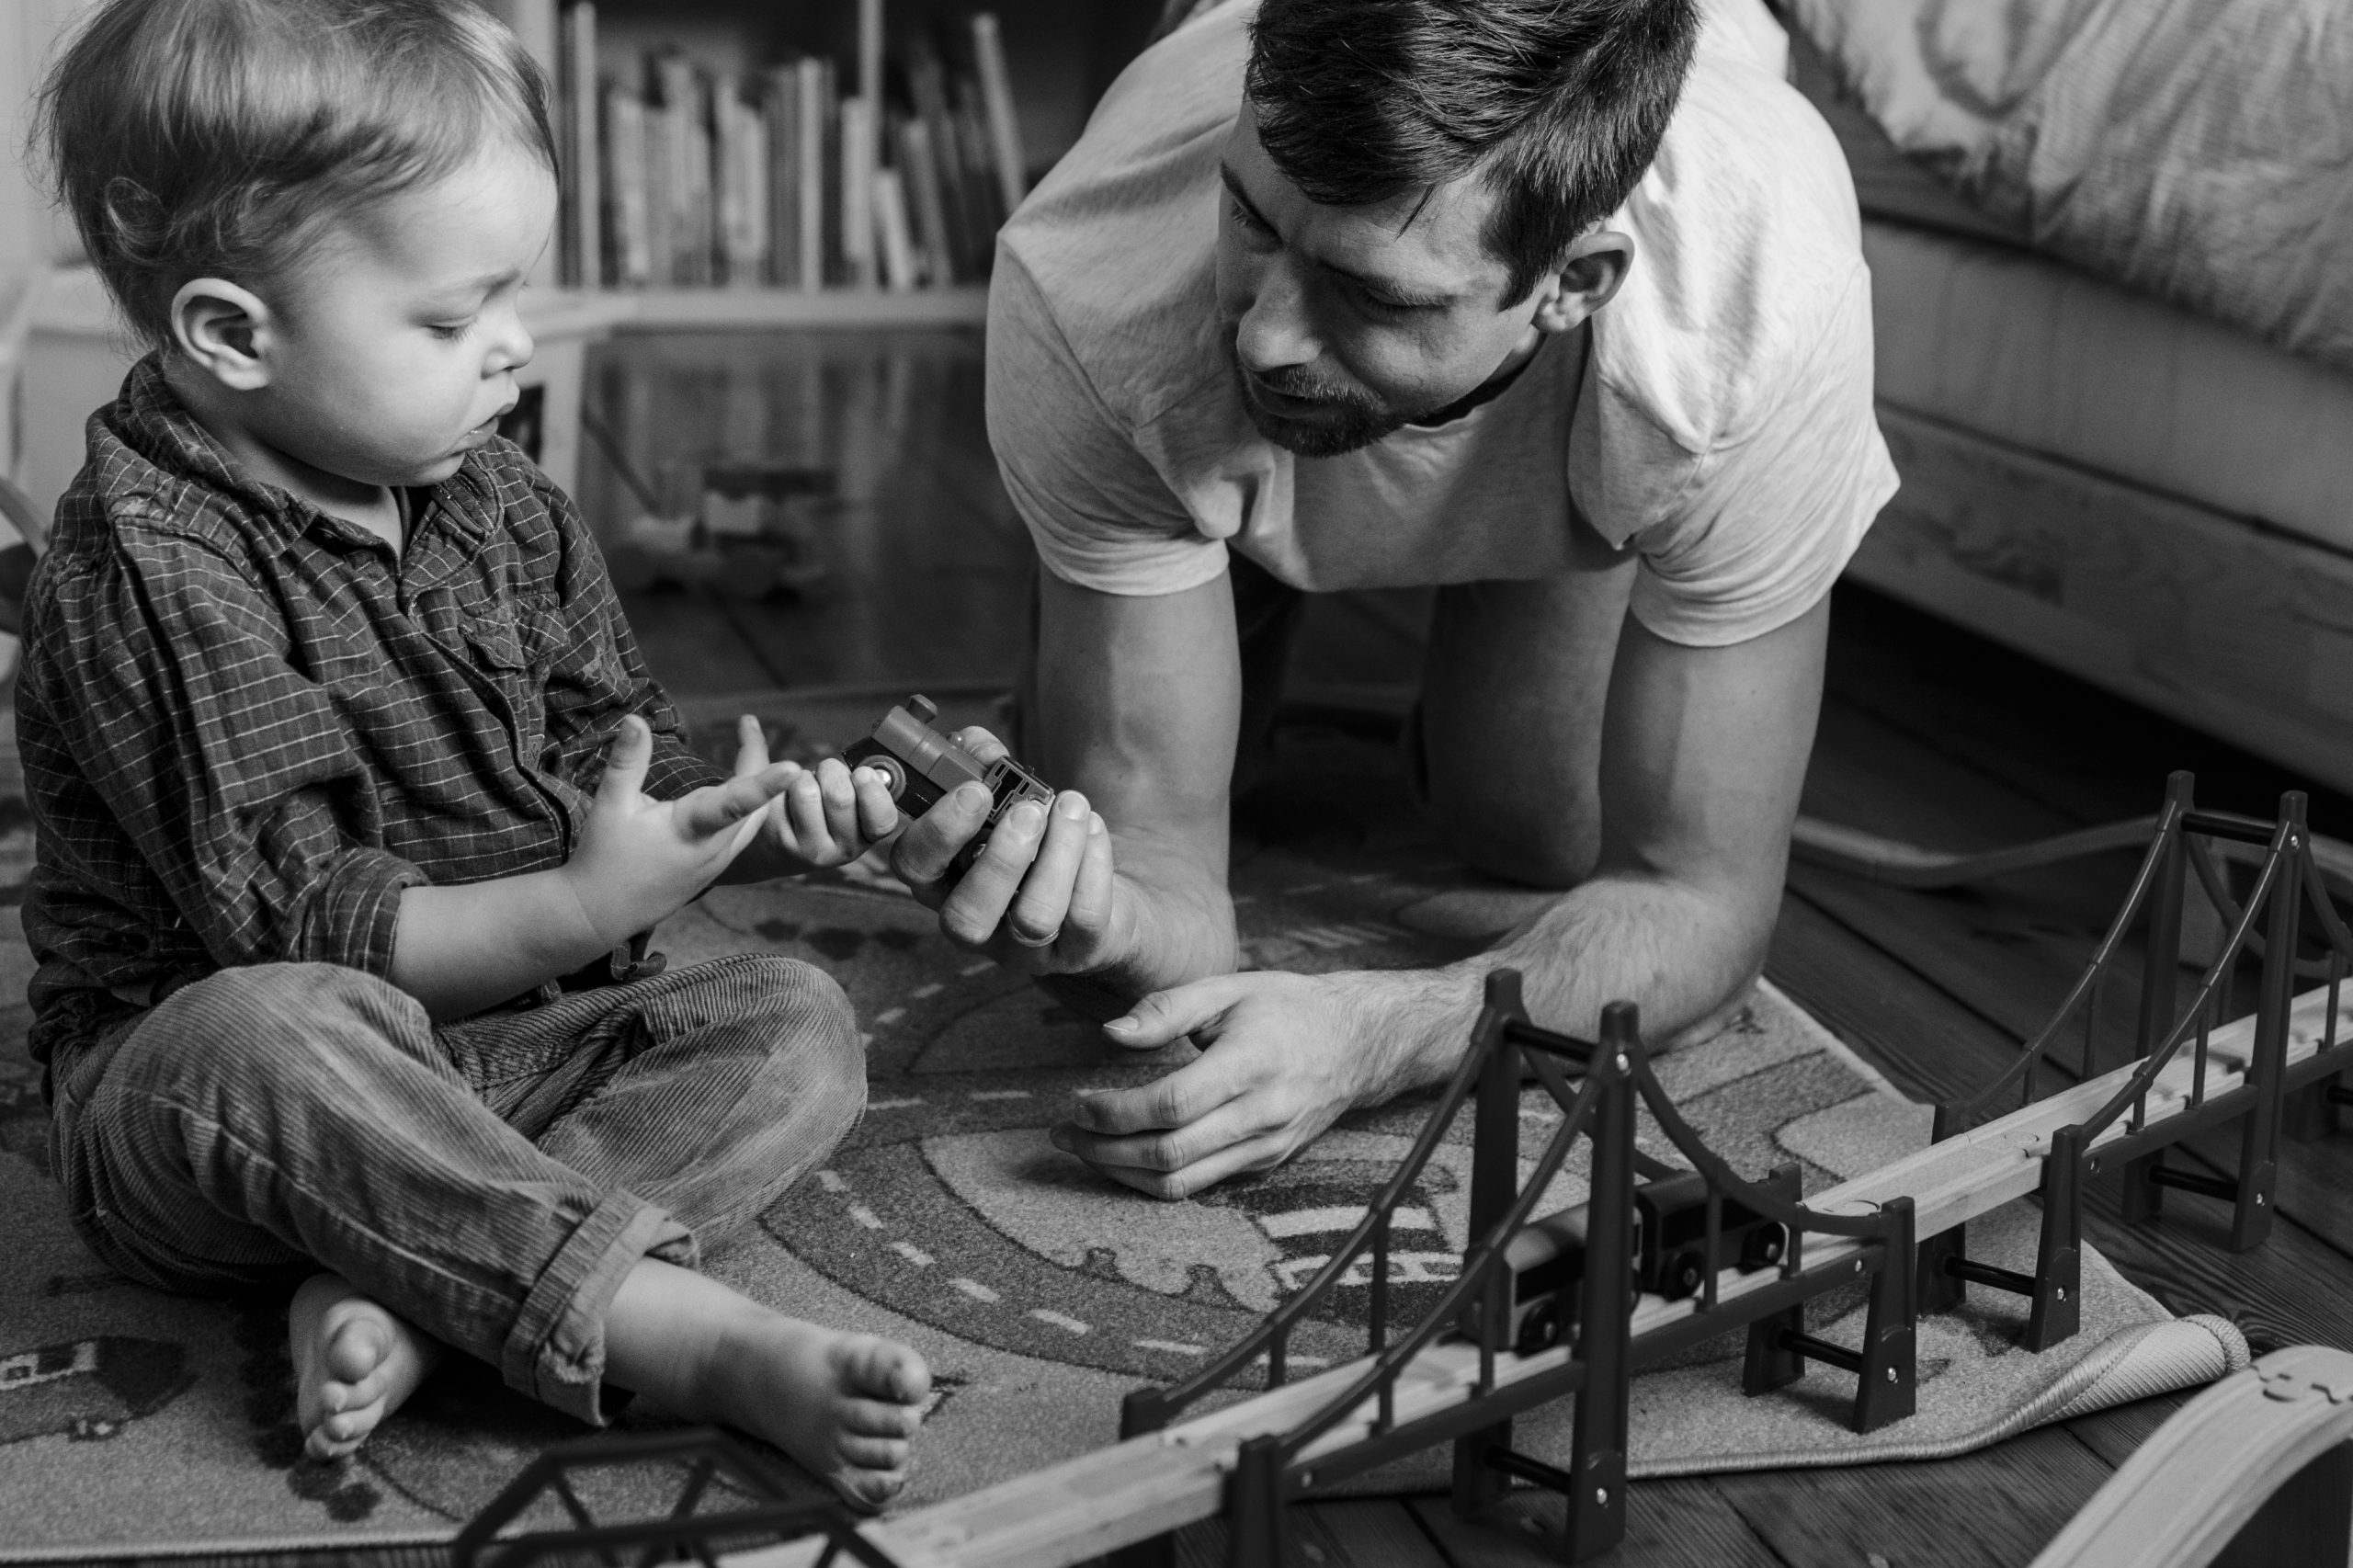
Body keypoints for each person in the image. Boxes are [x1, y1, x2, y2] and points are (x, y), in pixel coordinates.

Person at [24, 0, 929, 1506]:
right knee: (258, 1027)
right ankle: (681, 1332)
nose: (509, 350)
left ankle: (438, 1287)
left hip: (504, 1052)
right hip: (221, 1102)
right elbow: (312, 933)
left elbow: (614, 766)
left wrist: (751, 826)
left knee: (797, 1017)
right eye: (451, 321)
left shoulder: (497, 494)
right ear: (231, 335)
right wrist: (585, 904)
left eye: (516, 297)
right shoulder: (146, 558)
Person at [886, 0, 1897, 1199]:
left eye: (1376, 293)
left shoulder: (1756, 317)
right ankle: (1236, 551)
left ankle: (1500, 514)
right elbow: (1163, 873)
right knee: (1105, 862)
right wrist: (1126, 917)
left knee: (1537, 834)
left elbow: (1700, 899)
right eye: (1252, 222)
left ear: (1577, 282)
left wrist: (1382, 1032)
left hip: (1583, 403)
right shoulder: (1092, 284)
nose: (1262, 337)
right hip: (1176, 389)